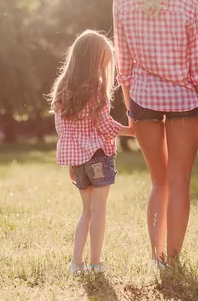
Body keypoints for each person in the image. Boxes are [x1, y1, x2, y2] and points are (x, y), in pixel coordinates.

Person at [112, 0, 198, 265]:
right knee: (179, 182)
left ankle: (157, 258)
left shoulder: (123, 1)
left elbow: (124, 64)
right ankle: (172, 258)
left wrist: (131, 109)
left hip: (143, 101)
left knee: (158, 183)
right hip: (185, 104)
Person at [49, 30, 135, 275]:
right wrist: (133, 131)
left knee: (86, 211)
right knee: (99, 209)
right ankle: (96, 264)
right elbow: (104, 125)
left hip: (77, 161)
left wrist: (71, 162)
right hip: (97, 155)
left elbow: (62, 128)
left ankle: (76, 264)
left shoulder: (63, 87)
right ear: (95, 61)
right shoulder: (96, 87)